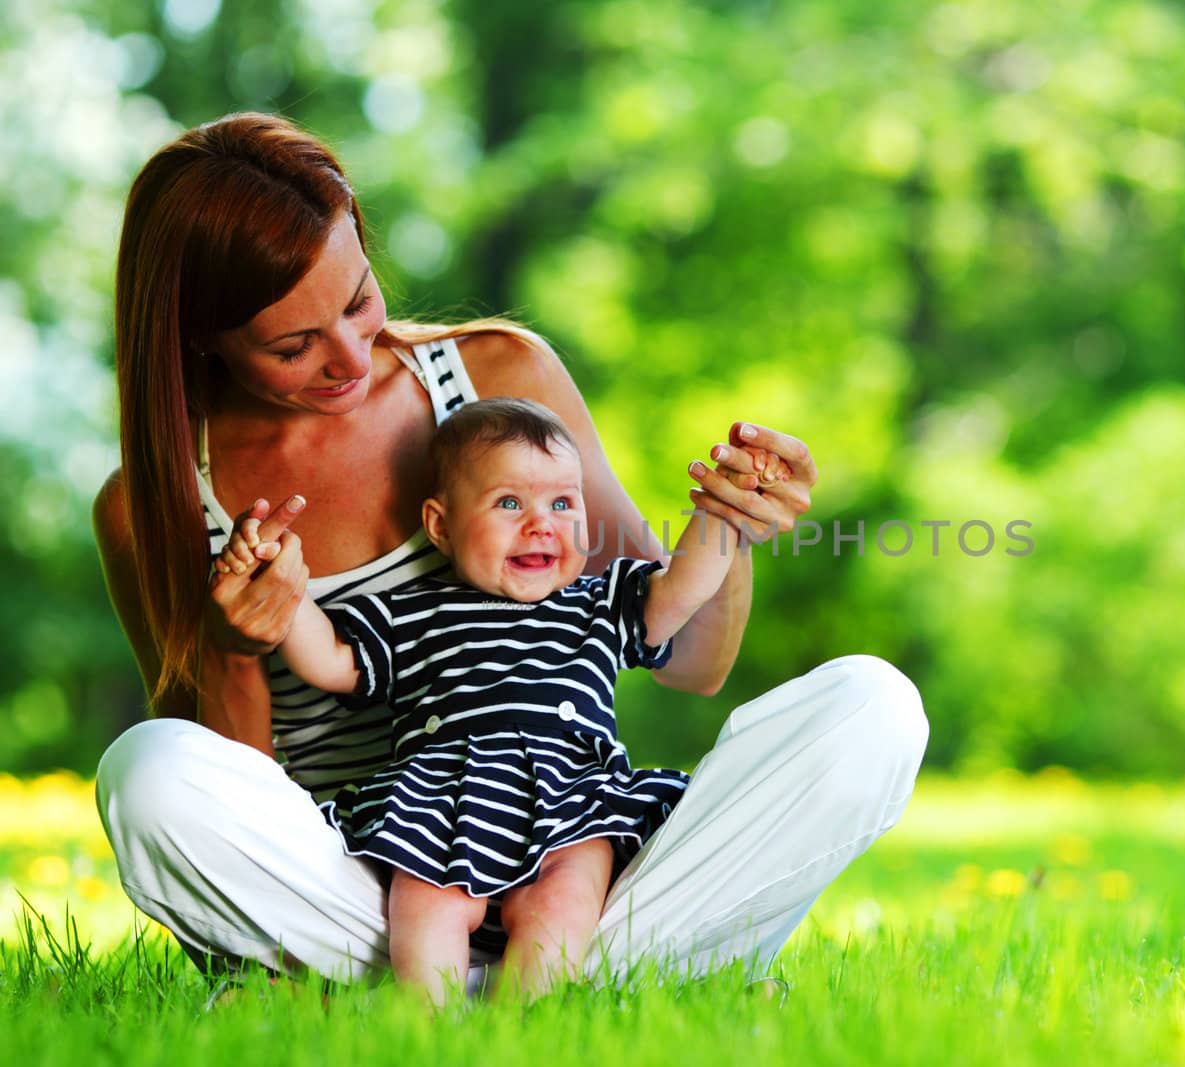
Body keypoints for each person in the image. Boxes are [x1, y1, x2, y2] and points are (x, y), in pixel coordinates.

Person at [92, 112, 927, 990]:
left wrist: (731, 522)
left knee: (873, 705)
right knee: (148, 771)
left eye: (358, 300)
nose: (348, 357)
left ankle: (519, 975)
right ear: (201, 337)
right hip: (365, 888)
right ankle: (604, 978)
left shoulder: (498, 379)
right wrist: (236, 649)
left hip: (576, 865)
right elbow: (223, 801)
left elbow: (689, 659)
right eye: (294, 345)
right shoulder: (156, 505)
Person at [216, 397, 770, 1002]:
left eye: (562, 503)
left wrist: (725, 511)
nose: (540, 523)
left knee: (564, 902)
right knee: (425, 905)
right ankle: (428, 1020)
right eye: (509, 503)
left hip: (572, 799)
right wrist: (286, 583)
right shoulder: (413, 612)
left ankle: (527, 1017)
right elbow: (327, 660)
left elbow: (683, 589)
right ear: (441, 525)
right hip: (442, 800)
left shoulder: (600, 602)